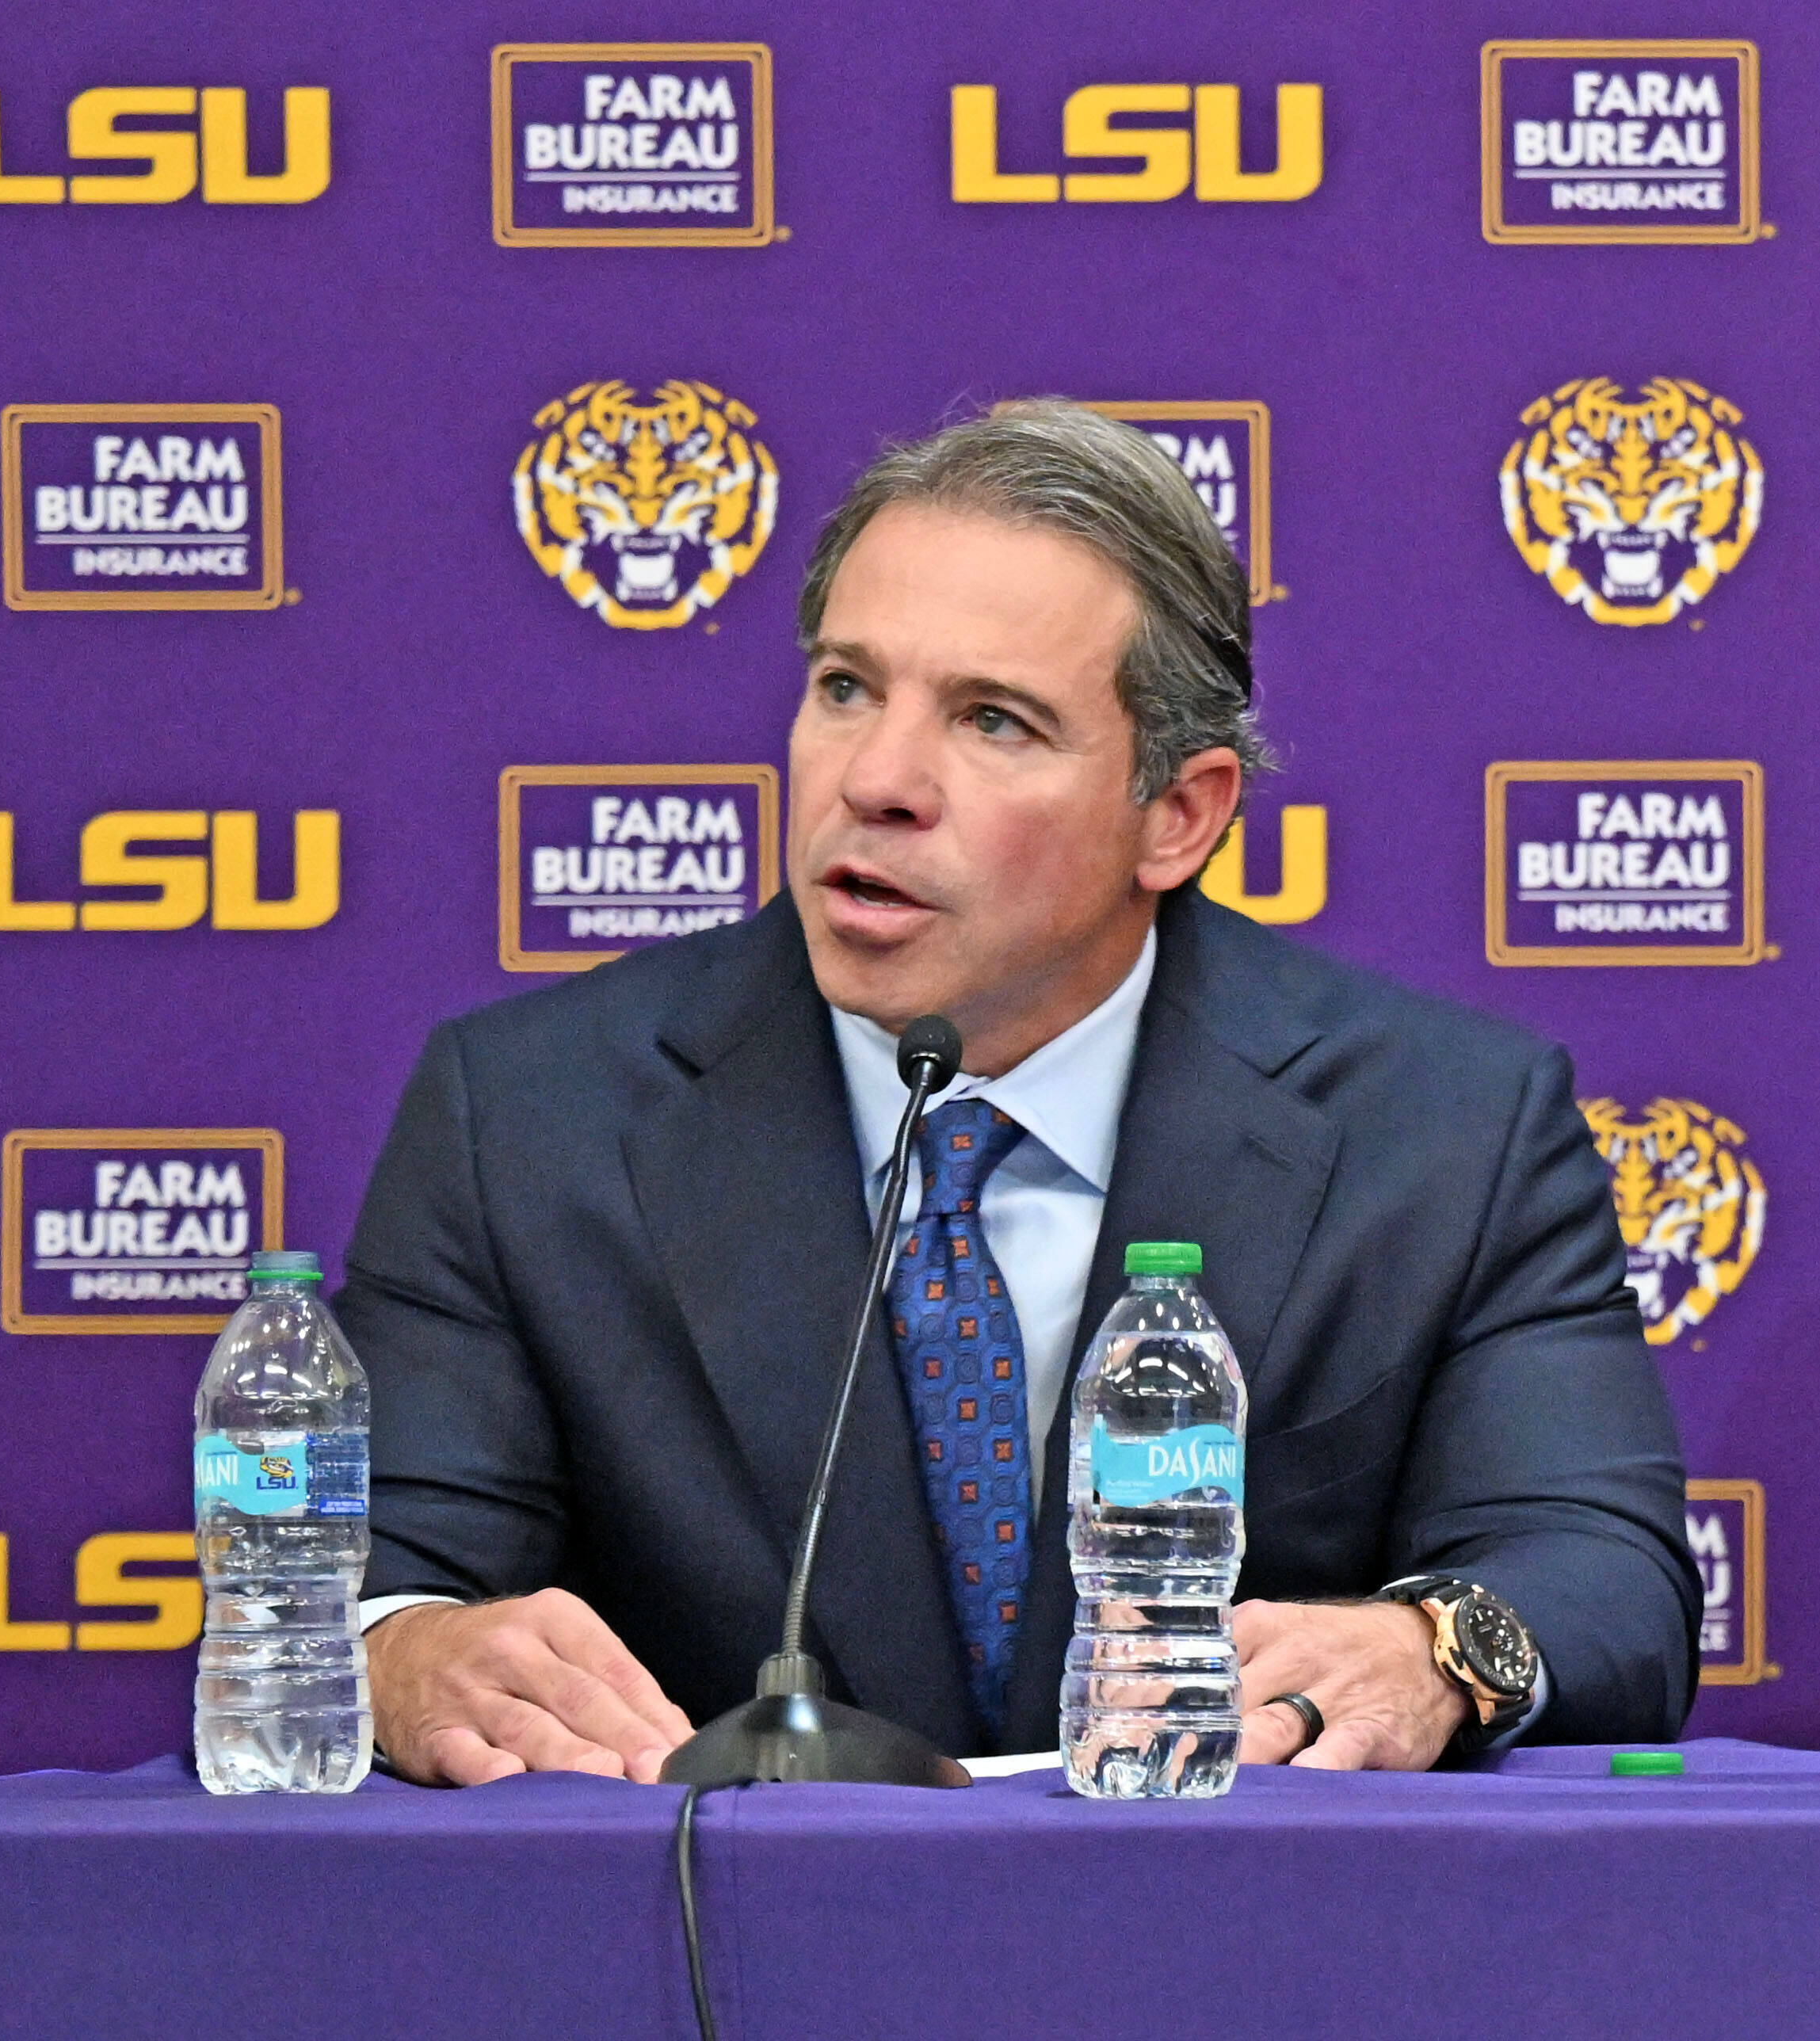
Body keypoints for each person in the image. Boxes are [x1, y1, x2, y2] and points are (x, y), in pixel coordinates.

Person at [335, 397, 1694, 1783]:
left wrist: (1432, 1650)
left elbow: (1598, 1577)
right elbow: (365, 1578)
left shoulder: (1444, 1128)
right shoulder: (528, 1116)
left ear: (1179, 815)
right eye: (846, 688)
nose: (875, 781)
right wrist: (401, 1651)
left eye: (993, 721)